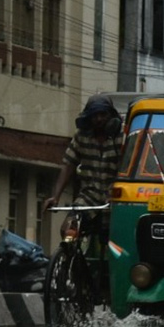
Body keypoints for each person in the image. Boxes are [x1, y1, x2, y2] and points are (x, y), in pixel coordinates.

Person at [43, 94, 125, 235]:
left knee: (115, 238)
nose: (99, 119)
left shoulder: (123, 134)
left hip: (116, 197)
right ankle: (70, 256)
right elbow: (68, 164)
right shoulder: (82, 136)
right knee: (68, 229)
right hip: (88, 196)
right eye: (94, 115)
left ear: (111, 115)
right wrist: (56, 196)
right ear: (88, 117)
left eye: (103, 114)